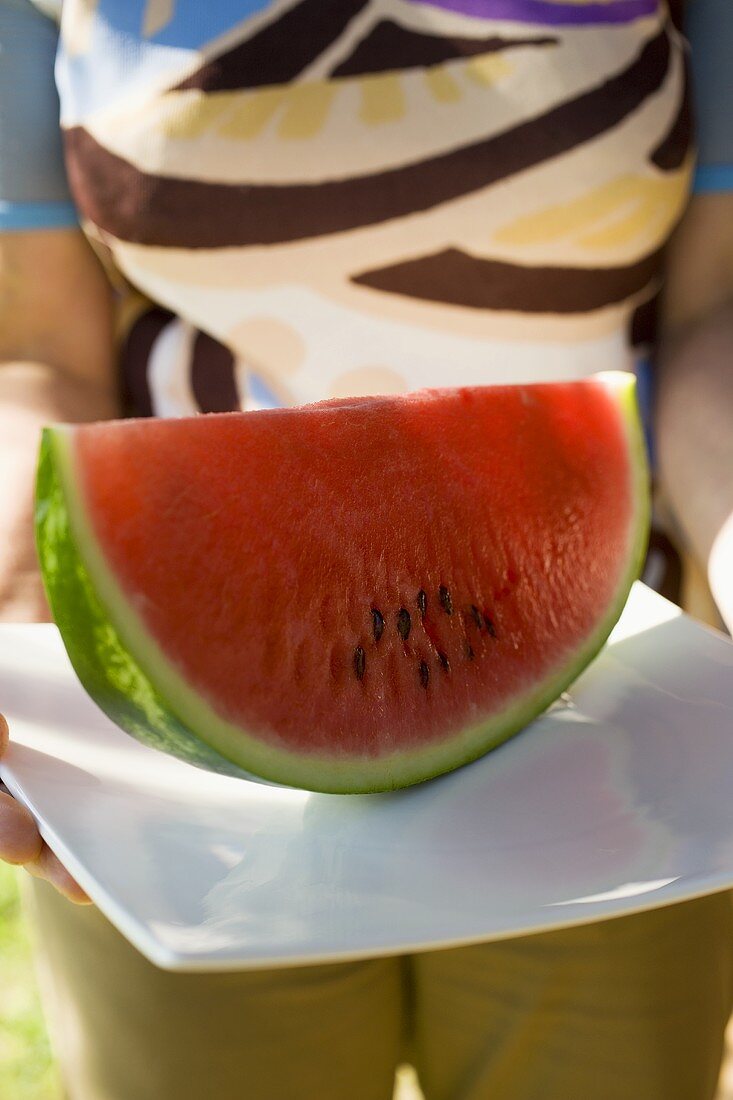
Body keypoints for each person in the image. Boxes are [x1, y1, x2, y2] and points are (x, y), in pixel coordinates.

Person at [0, 0, 731, 1097]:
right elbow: (34, 349)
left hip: (613, 722)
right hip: (170, 774)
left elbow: (712, 316)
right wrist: (18, 615)